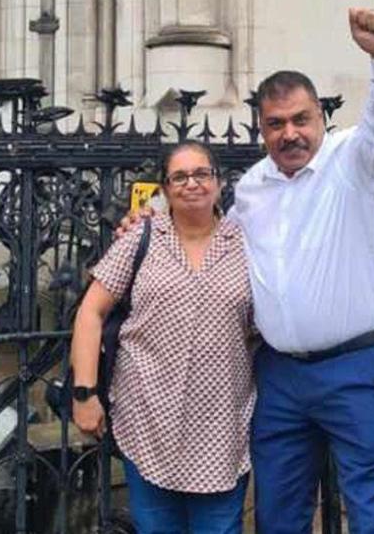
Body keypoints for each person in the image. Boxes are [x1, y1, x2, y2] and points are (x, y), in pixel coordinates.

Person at [119, 7, 374, 533]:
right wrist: (150, 216)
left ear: (320, 116)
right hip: (279, 377)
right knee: (278, 513)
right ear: (262, 129)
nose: (290, 134)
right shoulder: (252, 187)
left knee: (371, 511)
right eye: (276, 124)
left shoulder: (355, 161)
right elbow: (205, 224)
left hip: (354, 368)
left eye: (301, 119)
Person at [69, 141, 256, 534]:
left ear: (219, 183)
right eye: (180, 177)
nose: (192, 184)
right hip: (147, 419)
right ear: (166, 188)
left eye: (202, 174)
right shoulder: (142, 237)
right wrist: (84, 394)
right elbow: (91, 310)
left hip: (221, 427)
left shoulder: (247, 243)